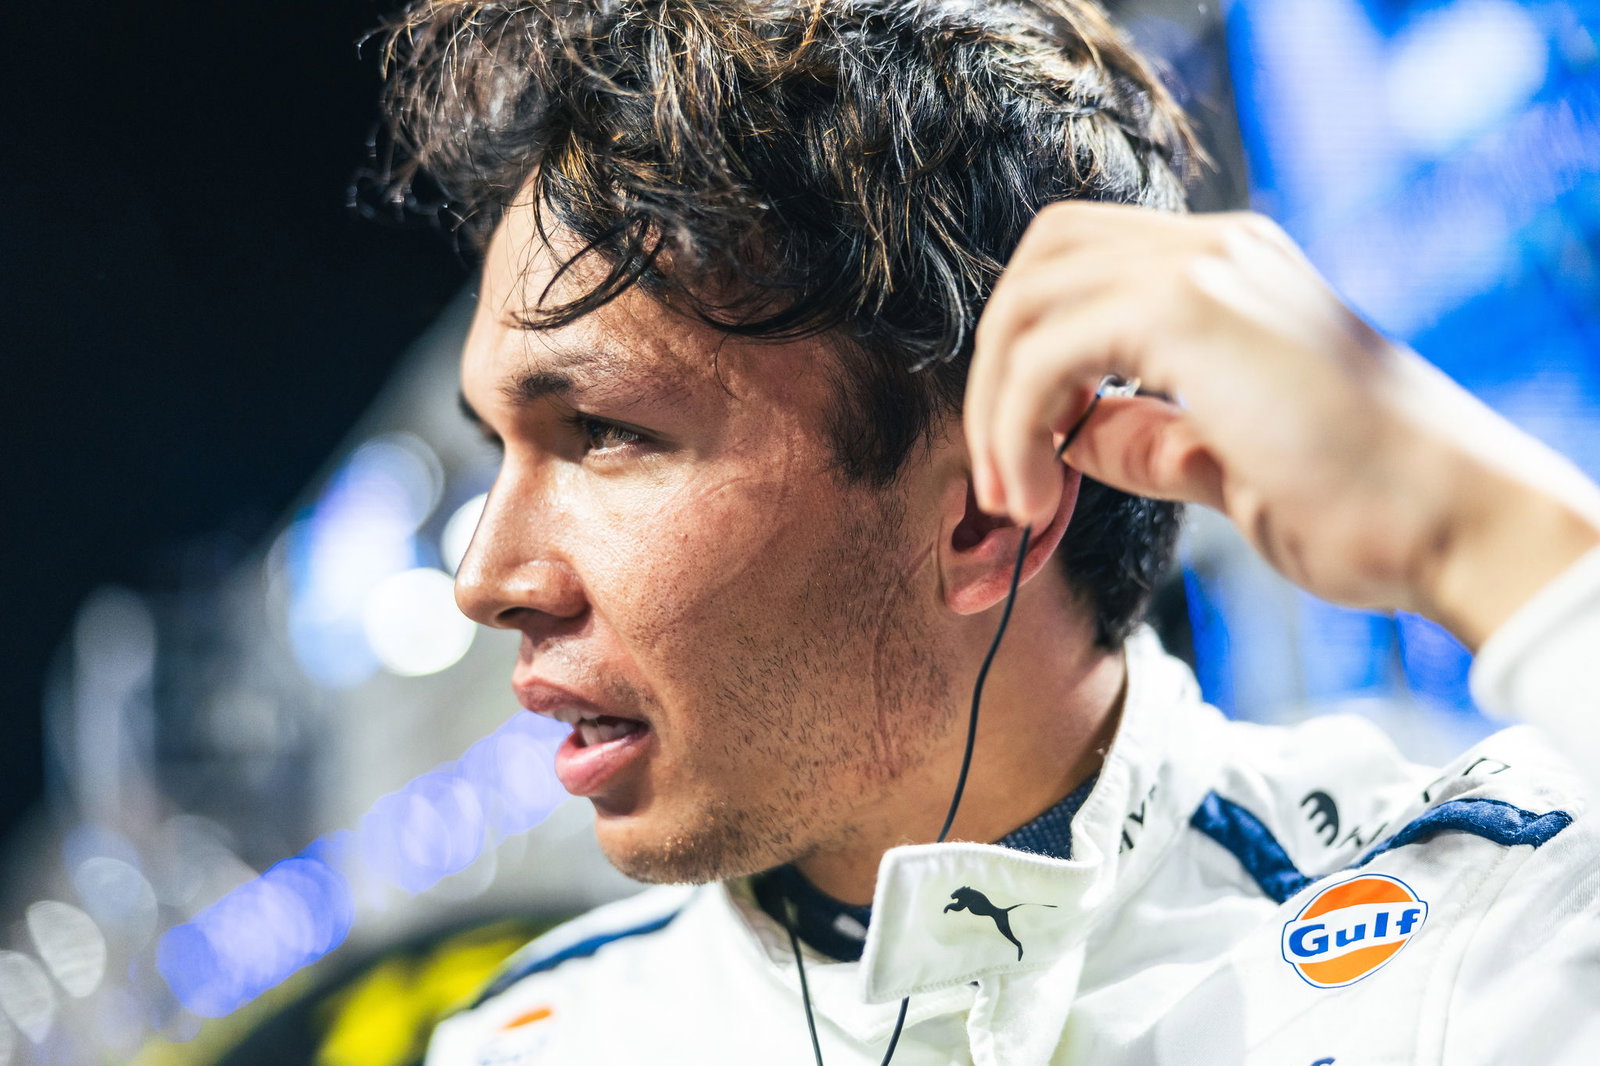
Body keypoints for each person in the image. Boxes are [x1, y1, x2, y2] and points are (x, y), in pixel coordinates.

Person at [374, 1, 1600, 1062]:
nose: (486, 579)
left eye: (602, 432)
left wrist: (1482, 537)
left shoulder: (1478, 940)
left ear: (984, 511)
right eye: (500, 449)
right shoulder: (534, 1038)